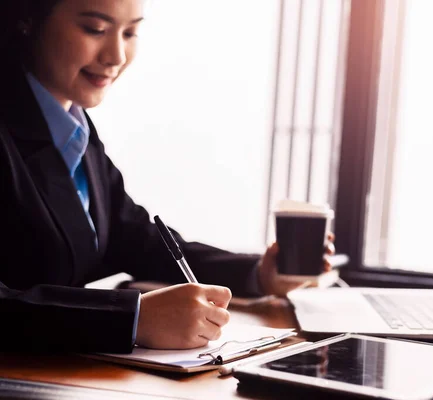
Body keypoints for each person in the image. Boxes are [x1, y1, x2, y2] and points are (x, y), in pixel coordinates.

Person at [0, 0, 334, 353]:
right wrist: (132, 319)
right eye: (95, 29)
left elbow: (138, 241)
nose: (116, 55)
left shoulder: (74, 129)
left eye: (130, 33)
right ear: (28, 18)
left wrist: (259, 274)